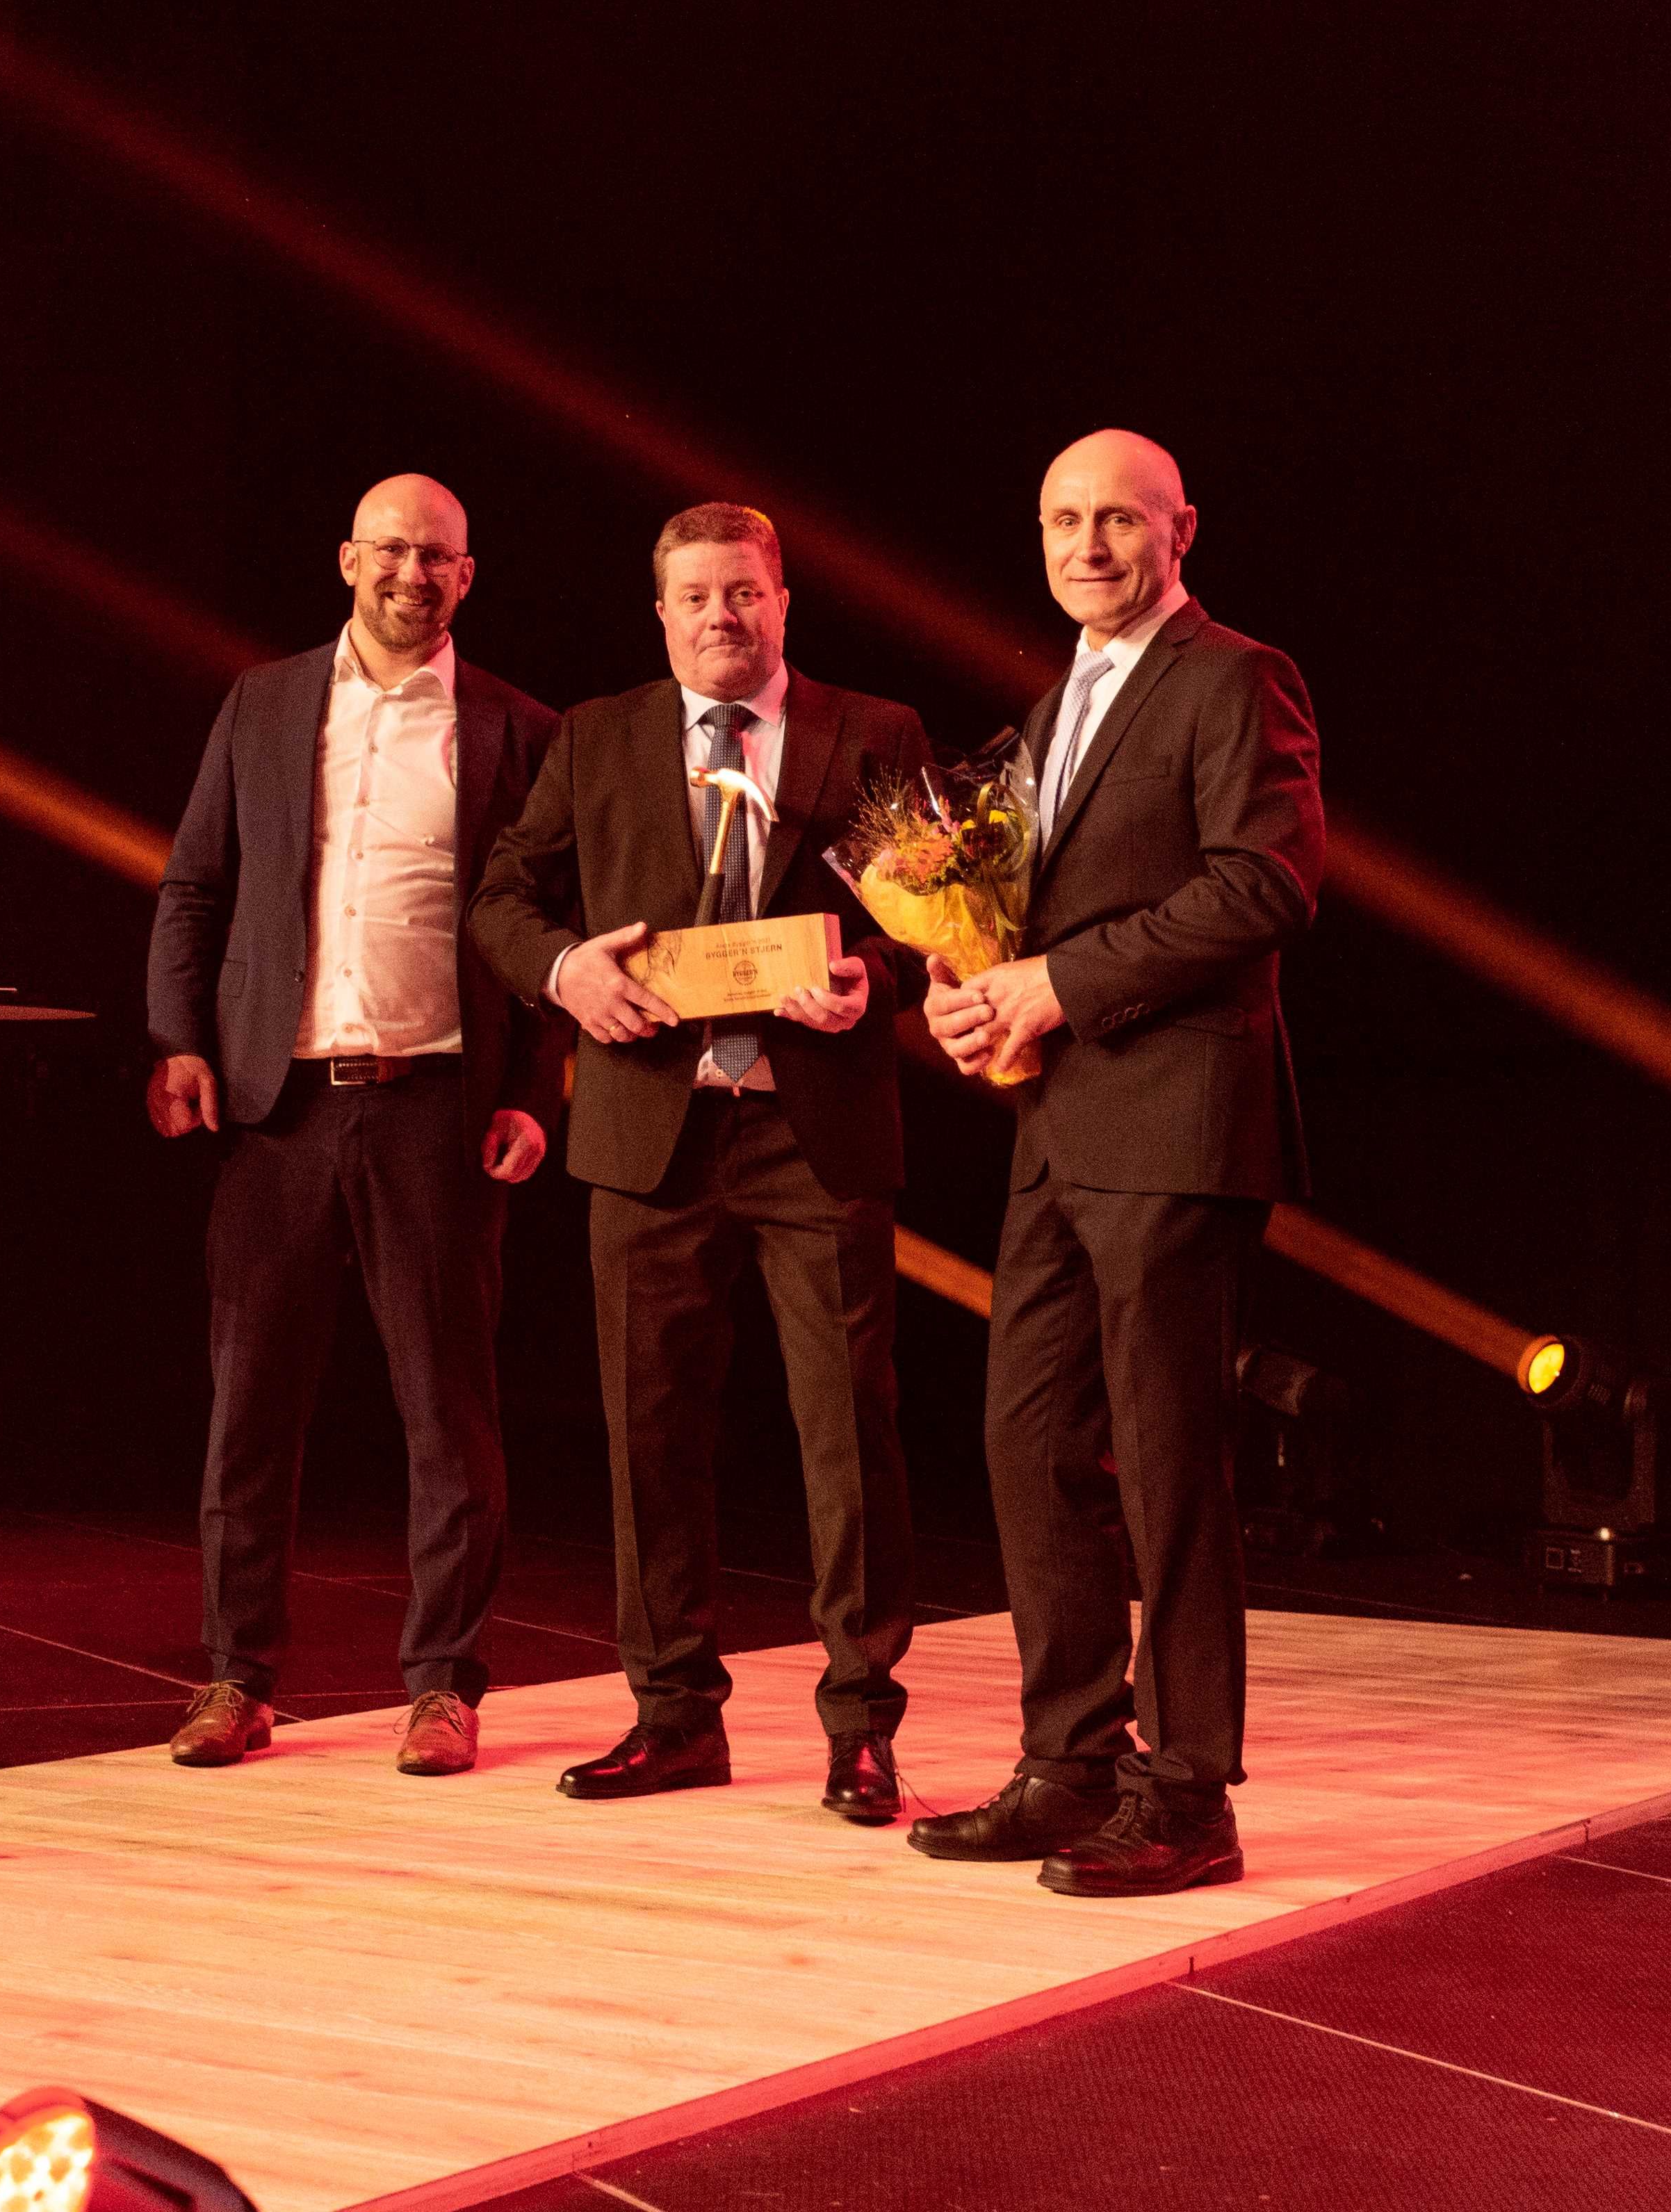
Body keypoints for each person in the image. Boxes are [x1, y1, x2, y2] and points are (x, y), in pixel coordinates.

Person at [469, 502, 931, 1825]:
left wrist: (874, 979)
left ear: (783, 602)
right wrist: (567, 971)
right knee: (650, 1432)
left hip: (813, 1129)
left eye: (744, 592)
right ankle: (672, 1716)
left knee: (848, 1433)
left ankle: (862, 1728)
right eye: (696, 597)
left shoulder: (873, 733)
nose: (722, 615)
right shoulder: (598, 735)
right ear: (661, 613)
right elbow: (503, 898)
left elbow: (939, 918)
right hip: (647, 1131)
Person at [915, 428, 1328, 1896]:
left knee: (1165, 1463)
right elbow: (1020, 916)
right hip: (1059, 1125)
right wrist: (969, 986)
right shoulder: (1051, 709)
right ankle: (1071, 1763)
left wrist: (1060, 984)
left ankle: (1190, 1791)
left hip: (1176, 1119)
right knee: (1029, 1445)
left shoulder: (1236, 677)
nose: (1088, 545)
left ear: (1181, 531)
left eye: (1119, 520)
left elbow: (1265, 883)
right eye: (1062, 521)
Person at [145, 473, 562, 1779]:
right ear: (347, 559)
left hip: (438, 1106)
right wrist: (179, 1040)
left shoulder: (517, 727)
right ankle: (236, 1676)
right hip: (277, 1105)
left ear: (467, 577)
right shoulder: (263, 703)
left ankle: (443, 1685)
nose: (410, 575)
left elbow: (551, 924)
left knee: (449, 1411)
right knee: (250, 1407)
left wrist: (533, 1088)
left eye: (436, 557)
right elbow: (195, 885)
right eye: (390, 551)